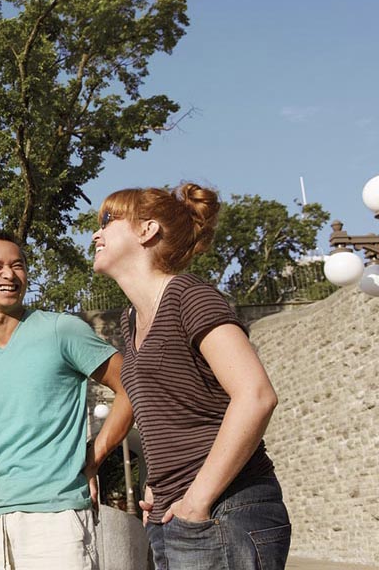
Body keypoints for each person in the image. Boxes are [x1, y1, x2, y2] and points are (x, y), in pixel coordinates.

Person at [92, 184, 289, 569]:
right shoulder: (130, 321)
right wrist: (156, 485)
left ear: (147, 230)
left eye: (108, 220)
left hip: (225, 509)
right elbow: (167, 410)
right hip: (172, 515)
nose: (97, 233)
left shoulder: (189, 296)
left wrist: (198, 499)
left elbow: (256, 395)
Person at [0, 232, 132, 570]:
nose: (9, 274)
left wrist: (94, 457)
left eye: (17, 266)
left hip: (58, 518)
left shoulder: (61, 330)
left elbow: (131, 387)